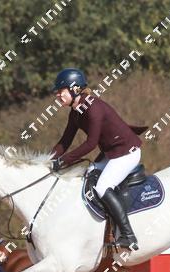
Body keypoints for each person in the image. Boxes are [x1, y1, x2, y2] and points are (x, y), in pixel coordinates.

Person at [49, 68, 147, 250]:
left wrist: (62, 162)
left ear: (75, 89)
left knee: (102, 187)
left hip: (127, 152)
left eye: (61, 91)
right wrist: (47, 161)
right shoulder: (75, 113)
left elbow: (91, 144)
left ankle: (128, 235)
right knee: (87, 176)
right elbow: (65, 141)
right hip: (111, 153)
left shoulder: (93, 108)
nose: (57, 95)